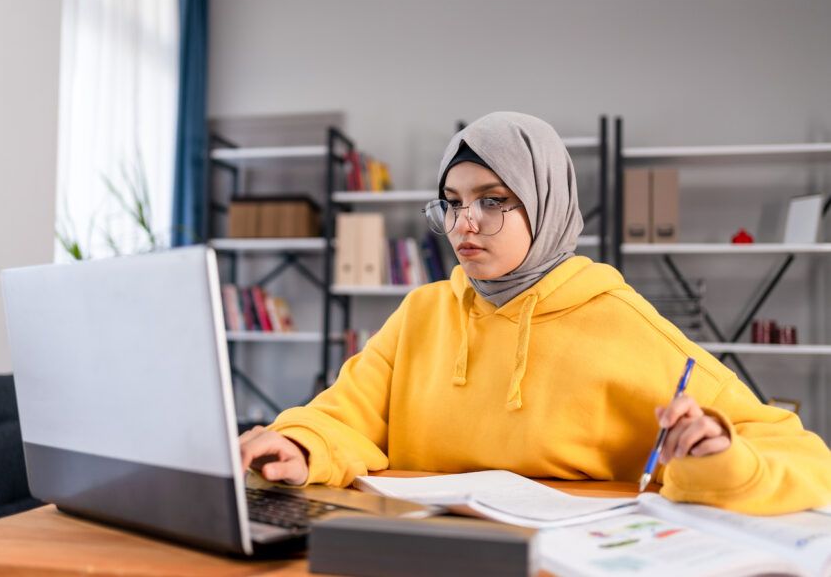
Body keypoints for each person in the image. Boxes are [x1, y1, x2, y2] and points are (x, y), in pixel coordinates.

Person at [239, 112, 831, 514]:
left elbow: (802, 456)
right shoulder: (422, 312)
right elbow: (344, 418)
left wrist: (719, 456)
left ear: (547, 205)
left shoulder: (621, 322)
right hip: (421, 552)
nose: (464, 224)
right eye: (451, 204)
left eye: (492, 201)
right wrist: (300, 444)